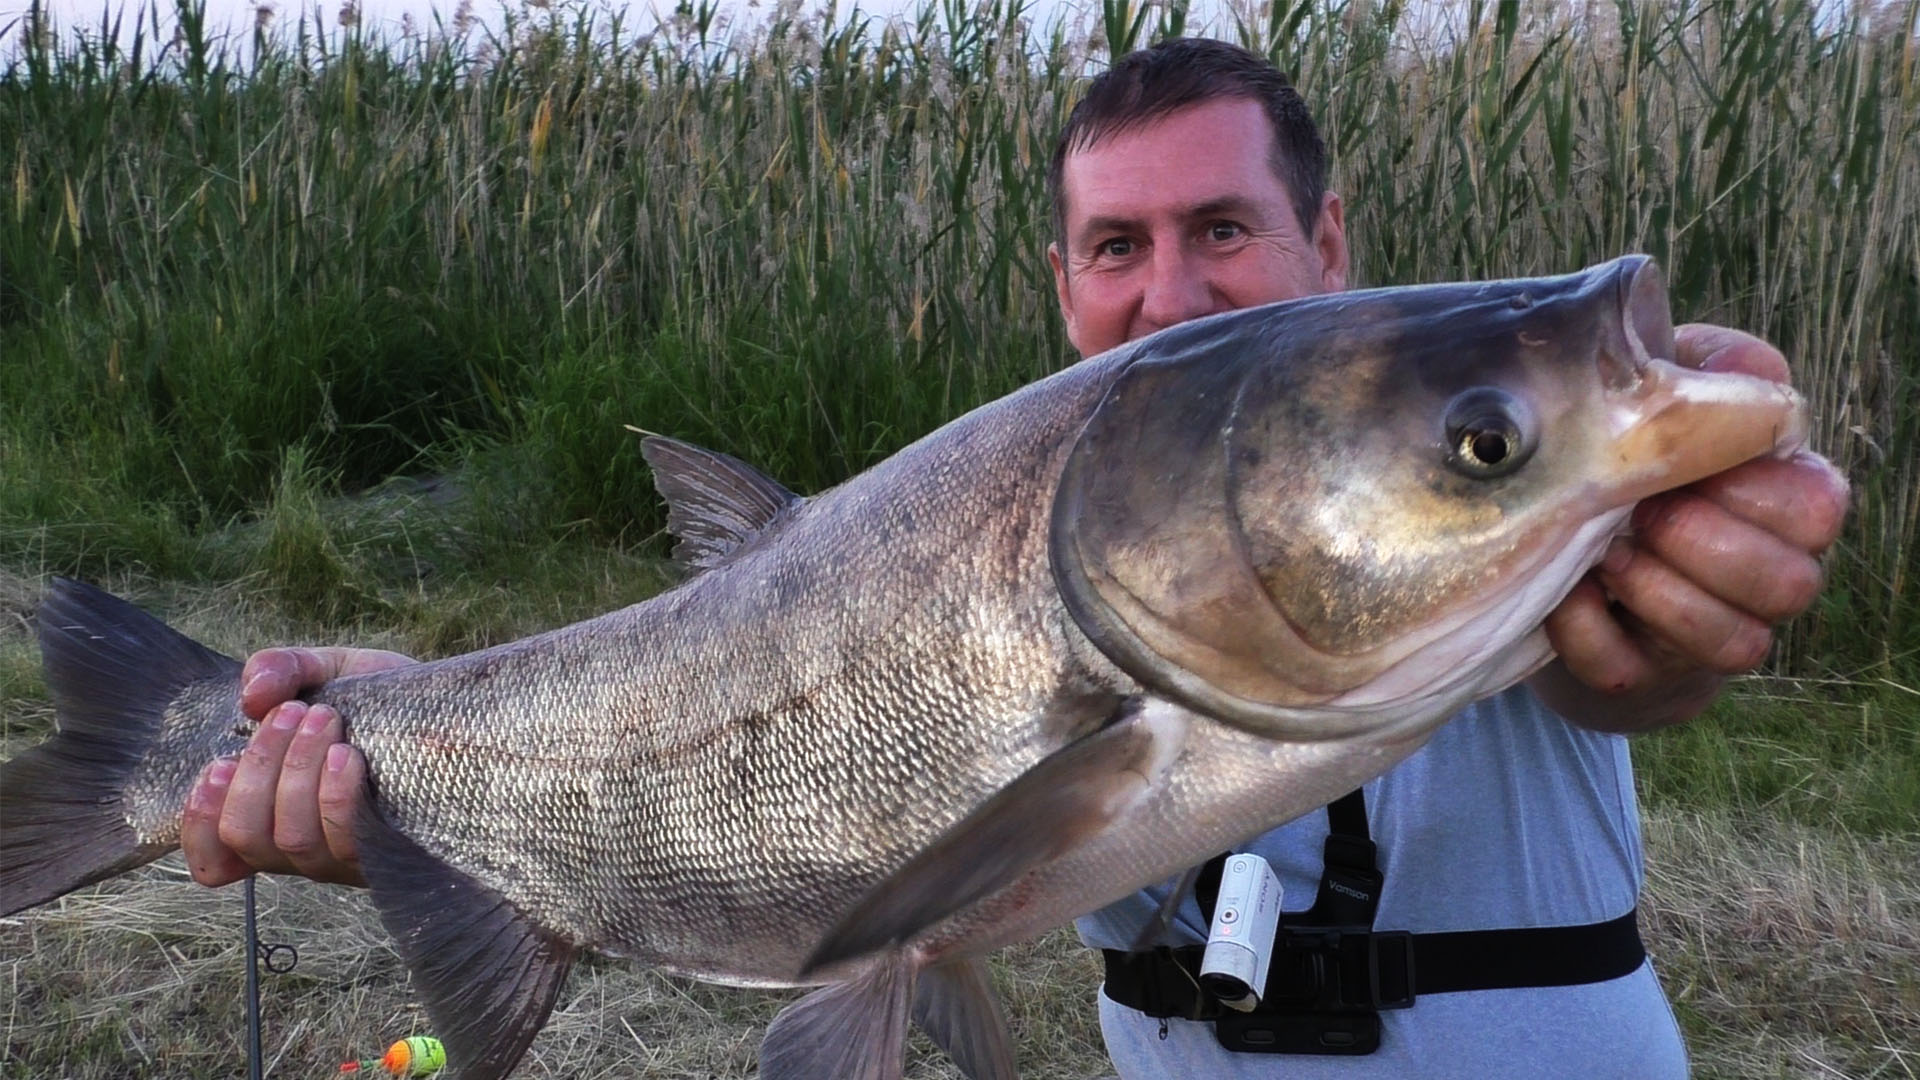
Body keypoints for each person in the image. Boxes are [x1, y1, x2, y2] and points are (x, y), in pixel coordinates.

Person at [180, 36, 1848, 1079]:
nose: (1170, 292)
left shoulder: (1488, 519)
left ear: (1327, 246)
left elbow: (1651, 664)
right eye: (1119, 246)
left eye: (1224, 230)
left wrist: (1684, 571)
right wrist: (418, 742)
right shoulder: (954, 535)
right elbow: (691, 680)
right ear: (1065, 284)